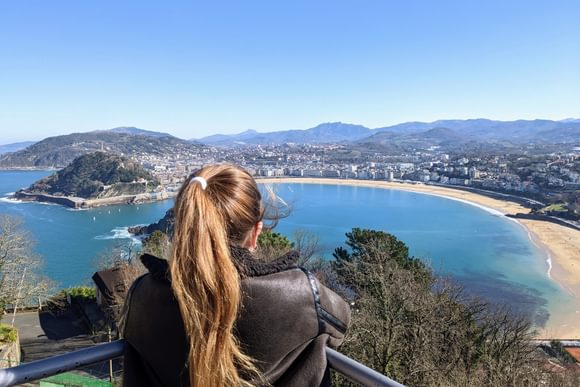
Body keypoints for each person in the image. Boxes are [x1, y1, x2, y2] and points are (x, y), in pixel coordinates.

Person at [121, 164, 351, 387]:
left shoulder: (143, 294)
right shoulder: (301, 293)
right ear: (256, 232)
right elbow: (340, 326)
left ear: (184, 228)